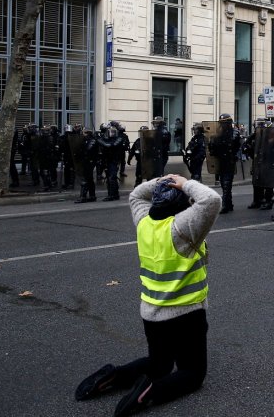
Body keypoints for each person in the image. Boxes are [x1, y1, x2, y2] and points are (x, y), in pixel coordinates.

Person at [74, 175, 221, 416]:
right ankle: (150, 392)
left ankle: (114, 376)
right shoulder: (182, 227)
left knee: (160, 363)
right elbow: (212, 200)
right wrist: (184, 183)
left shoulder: (144, 222)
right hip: (186, 313)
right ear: (182, 205)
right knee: (193, 374)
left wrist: (161, 182)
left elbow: (135, 195)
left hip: (151, 312)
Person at [208, 113, 241, 214]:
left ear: (229, 123)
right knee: (223, 183)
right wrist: (212, 145)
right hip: (220, 161)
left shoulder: (235, 133)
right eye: (221, 123)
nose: (223, 125)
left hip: (229, 161)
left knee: (226, 184)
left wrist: (234, 156)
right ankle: (229, 204)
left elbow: (237, 147)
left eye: (225, 123)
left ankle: (226, 205)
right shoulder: (218, 133)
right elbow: (213, 147)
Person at [243, 118, 274, 211]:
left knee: (268, 183)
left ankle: (268, 200)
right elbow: (247, 147)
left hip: (268, 162)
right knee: (256, 182)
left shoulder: (271, 138)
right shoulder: (256, 137)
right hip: (257, 162)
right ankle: (257, 200)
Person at [98, 124, 125, 201]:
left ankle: (112, 195)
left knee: (112, 178)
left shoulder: (119, 138)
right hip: (107, 160)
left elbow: (110, 145)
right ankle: (114, 194)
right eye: (110, 131)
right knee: (109, 178)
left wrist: (100, 141)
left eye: (113, 131)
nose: (112, 133)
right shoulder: (107, 138)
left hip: (114, 161)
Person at [75, 127, 99, 203]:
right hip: (86, 162)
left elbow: (87, 150)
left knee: (85, 179)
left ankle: (83, 197)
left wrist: (80, 150)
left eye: (84, 133)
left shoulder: (92, 141)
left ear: (88, 133)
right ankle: (92, 195)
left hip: (89, 162)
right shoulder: (86, 140)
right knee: (89, 179)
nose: (83, 134)